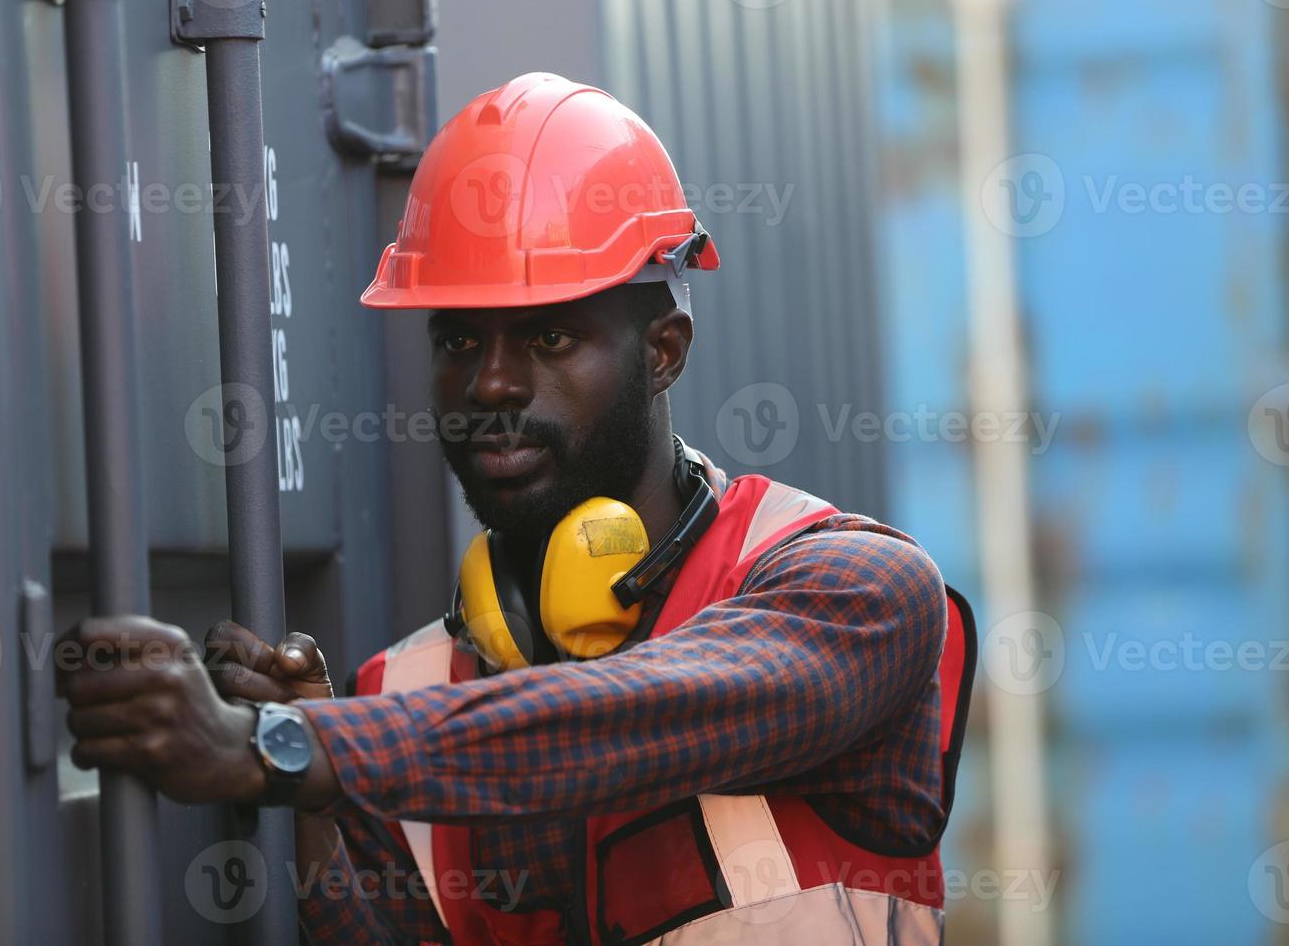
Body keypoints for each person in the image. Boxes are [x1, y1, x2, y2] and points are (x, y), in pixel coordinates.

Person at [58, 73, 972, 944]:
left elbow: (630, 718)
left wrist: (281, 746)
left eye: (550, 335)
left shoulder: (858, 588)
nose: (490, 383)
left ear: (664, 351)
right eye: (458, 339)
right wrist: (320, 808)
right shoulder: (397, 698)